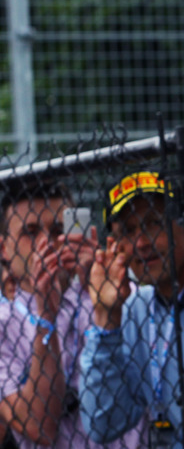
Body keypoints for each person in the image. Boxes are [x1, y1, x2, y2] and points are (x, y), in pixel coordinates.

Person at [80, 171, 184, 448]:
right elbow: (103, 423)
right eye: (128, 232)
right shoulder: (135, 309)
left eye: (154, 223)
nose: (141, 244)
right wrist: (106, 319)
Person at [0, 181, 143, 448]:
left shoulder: (122, 293)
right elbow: (39, 427)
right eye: (30, 232)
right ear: (3, 249)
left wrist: (93, 280)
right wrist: (46, 317)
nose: (46, 242)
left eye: (57, 230)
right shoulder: (4, 322)